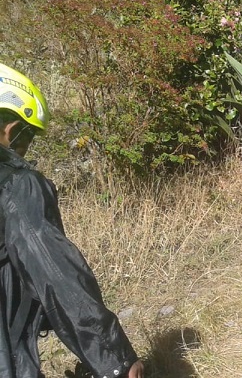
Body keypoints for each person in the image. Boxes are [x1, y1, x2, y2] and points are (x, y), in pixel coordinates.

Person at [0, 63, 144, 378]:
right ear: (10, 128)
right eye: (28, 136)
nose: (27, 149)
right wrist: (116, 361)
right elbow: (56, 274)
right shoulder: (15, 184)